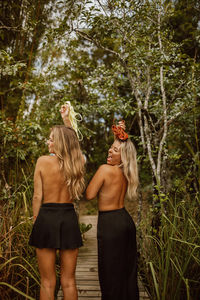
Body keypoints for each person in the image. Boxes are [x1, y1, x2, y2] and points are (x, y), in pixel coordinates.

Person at [29, 105, 85, 300]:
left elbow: (37, 196)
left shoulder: (42, 162)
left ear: (59, 143)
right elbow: (74, 145)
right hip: (68, 218)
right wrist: (67, 120)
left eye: (51, 139)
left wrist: (36, 221)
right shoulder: (77, 163)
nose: (48, 141)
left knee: (47, 282)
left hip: (46, 218)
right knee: (69, 281)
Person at [86, 121, 139, 300]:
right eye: (111, 148)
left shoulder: (105, 170)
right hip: (125, 221)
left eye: (116, 150)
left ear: (124, 156)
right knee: (127, 272)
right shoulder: (126, 173)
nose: (110, 151)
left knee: (109, 274)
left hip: (110, 224)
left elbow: (89, 194)